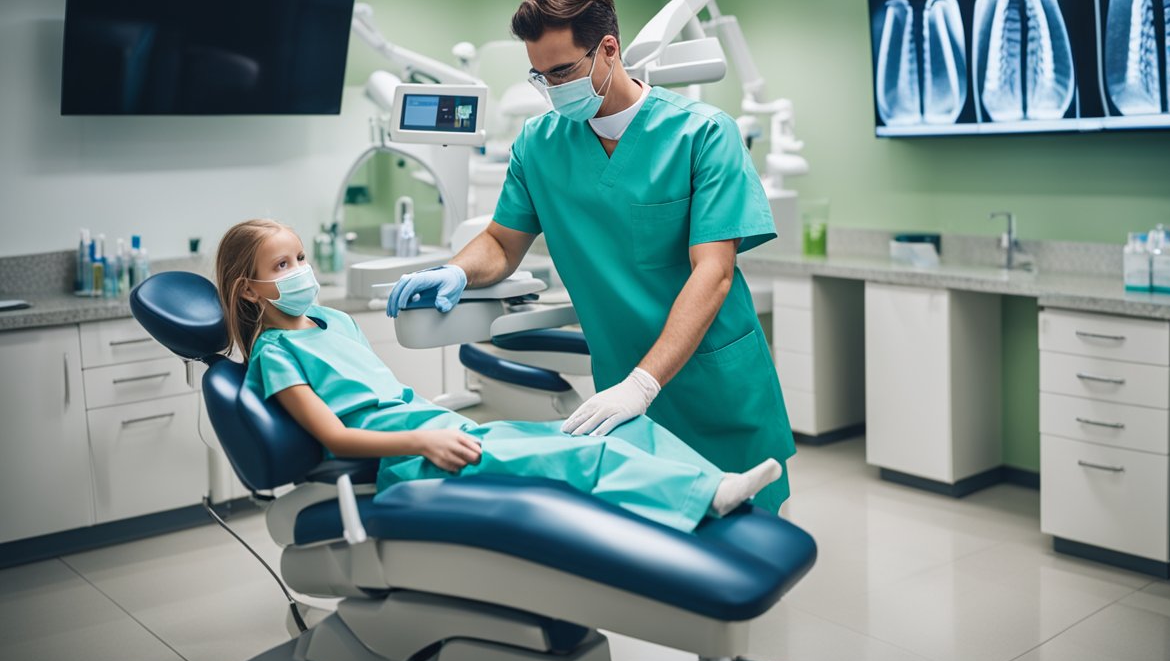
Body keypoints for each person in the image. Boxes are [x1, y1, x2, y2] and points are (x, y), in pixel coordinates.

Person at [387, 0, 795, 513]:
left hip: (713, 379)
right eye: (540, 76)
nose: (553, 89)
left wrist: (645, 384)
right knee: (653, 546)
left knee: (752, 543)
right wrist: (458, 272)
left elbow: (713, 273)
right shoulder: (539, 143)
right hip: (618, 386)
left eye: (562, 72)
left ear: (608, 49)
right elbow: (502, 242)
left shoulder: (703, 135)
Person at [215, 219, 781, 534]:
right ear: (248, 288)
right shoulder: (275, 354)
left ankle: (716, 488)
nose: (299, 272)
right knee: (573, 457)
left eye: (300, 258)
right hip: (411, 453)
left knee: (611, 429)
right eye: (281, 267)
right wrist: (424, 441)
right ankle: (702, 497)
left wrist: (435, 425)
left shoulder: (332, 319)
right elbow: (336, 438)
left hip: (435, 425)